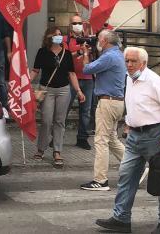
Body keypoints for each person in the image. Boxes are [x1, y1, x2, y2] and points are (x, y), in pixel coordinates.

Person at [95, 47, 160, 234]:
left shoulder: (155, 81)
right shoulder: (129, 78)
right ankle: (121, 219)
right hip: (135, 137)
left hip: (155, 135)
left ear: (143, 63)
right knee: (126, 176)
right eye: (127, 61)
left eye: (133, 61)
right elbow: (134, 103)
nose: (129, 64)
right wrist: (128, 123)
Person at [30, 27, 85, 168]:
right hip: (46, 90)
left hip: (63, 89)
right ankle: (41, 149)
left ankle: (57, 151)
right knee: (47, 120)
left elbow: (72, 74)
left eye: (61, 35)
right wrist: (25, 84)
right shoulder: (42, 52)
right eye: (56, 35)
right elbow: (35, 71)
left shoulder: (66, 54)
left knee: (60, 121)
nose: (59, 37)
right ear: (49, 37)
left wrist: (78, 91)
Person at [80, 29, 127, 191]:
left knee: (101, 141)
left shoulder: (109, 56)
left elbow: (86, 70)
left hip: (107, 102)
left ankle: (100, 180)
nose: (97, 41)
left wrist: (85, 54)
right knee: (112, 139)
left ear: (105, 41)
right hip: (116, 102)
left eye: (99, 39)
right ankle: (138, 167)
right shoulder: (118, 54)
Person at [65, 14, 95, 150]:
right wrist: (79, 51)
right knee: (64, 109)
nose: (77, 25)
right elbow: (64, 58)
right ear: (70, 25)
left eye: (79, 23)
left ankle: (82, 138)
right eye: (74, 23)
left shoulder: (89, 39)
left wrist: (91, 47)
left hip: (87, 78)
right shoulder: (65, 40)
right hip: (71, 78)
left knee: (86, 111)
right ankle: (57, 138)